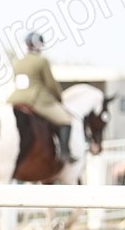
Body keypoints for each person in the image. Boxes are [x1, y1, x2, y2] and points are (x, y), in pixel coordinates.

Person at [8, 31, 76, 163]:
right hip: (36, 100)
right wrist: (59, 98)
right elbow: (50, 84)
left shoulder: (17, 62)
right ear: (38, 45)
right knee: (66, 120)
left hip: (15, 98)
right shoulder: (42, 61)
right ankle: (64, 153)